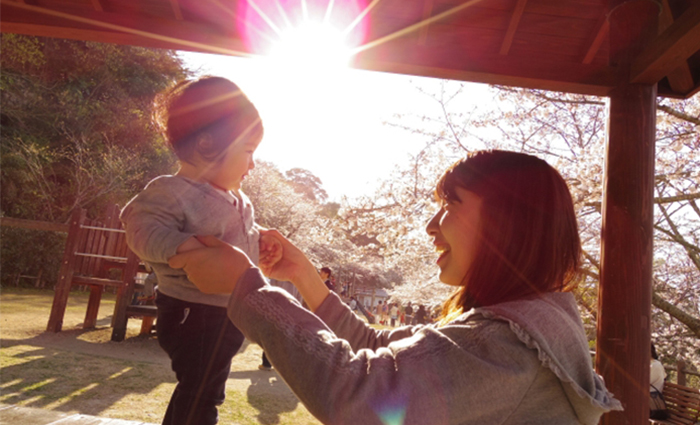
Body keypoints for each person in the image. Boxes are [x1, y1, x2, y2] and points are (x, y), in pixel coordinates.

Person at [169, 150, 623, 424]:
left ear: (507, 222)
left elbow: (363, 397)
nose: (430, 225)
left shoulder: (507, 348)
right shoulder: (526, 328)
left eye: (451, 203)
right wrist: (304, 276)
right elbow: (378, 348)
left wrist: (244, 284)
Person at [120, 76, 266, 425]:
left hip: (225, 312)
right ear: (205, 144)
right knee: (202, 393)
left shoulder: (237, 198)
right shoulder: (172, 191)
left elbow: (238, 236)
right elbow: (139, 226)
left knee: (203, 391)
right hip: (192, 313)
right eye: (248, 152)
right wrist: (184, 248)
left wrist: (262, 241)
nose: (253, 164)